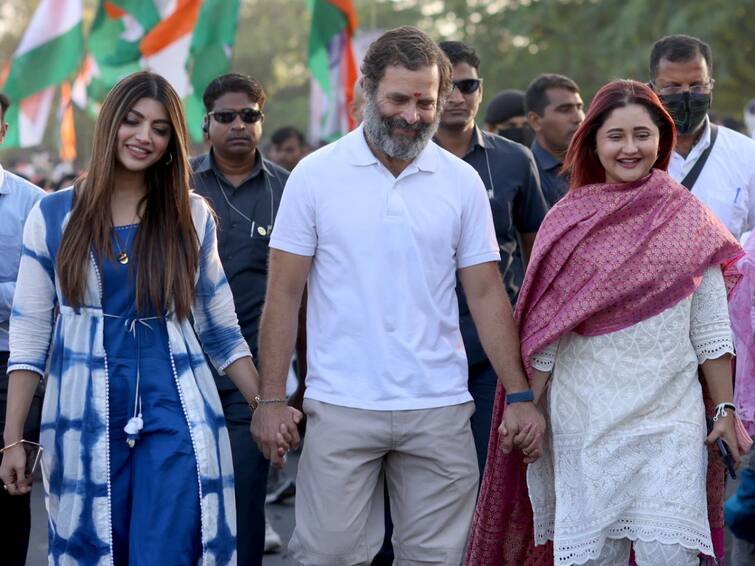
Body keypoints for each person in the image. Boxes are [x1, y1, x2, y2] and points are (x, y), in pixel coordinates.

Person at [252, 26, 545, 565]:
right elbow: (285, 293)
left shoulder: (459, 182)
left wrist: (519, 394)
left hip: (439, 405)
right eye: (398, 99)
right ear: (365, 91)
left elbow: (485, 293)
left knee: (437, 559)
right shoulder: (315, 177)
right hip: (341, 403)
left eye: (425, 101)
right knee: (328, 556)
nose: (412, 115)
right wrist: (271, 400)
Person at [0, 71, 299, 564]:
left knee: (169, 546)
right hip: (80, 416)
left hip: (177, 411)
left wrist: (267, 405)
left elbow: (223, 332)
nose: (144, 137)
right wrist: (14, 439)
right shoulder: (52, 216)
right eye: (133, 121)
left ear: (172, 142)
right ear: (110, 123)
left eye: (160, 129)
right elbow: (30, 336)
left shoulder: (189, 214)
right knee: (94, 546)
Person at [466, 80, 750, 566]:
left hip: (670, 419)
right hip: (585, 418)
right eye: (616, 136)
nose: (630, 148)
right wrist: (526, 406)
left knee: (671, 554)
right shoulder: (568, 221)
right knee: (594, 558)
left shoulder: (688, 218)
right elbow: (548, 332)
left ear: (661, 138)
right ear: (593, 141)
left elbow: (709, 329)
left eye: (643, 134)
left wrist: (725, 409)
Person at [191, 73, 295, 563]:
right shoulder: (177, 185)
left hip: (252, 376)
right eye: (226, 116)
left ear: (261, 120)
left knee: (244, 497)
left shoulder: (289, 189)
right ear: (205, 122)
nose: (238, 125)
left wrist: (302, 375)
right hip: (181, 371)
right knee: (184, 499)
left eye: (249, 115)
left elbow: (308, 289)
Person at [435, 39, 546, 476]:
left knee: (491, 471)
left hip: (495, 346)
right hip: (425, 346)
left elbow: (535, 249)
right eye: (447, 86)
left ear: (481, 89)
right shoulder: (405, 163)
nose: (458, 97)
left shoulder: (514, 161)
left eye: (468, 85)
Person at [0, 92, 46, 566]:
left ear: (3, 131)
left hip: (11, 367)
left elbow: (44, 296)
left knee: (10, 489)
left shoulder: (34, 205)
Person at [650, 34, 755, 240]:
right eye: (673, 87)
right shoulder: (633, 157)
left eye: (697, 85)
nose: (686, 95)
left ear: (711, 85)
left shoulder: (746, 154)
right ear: (653, 89)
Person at [525, 73, 585, 207]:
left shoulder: (598, 163)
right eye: (565, 109)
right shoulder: (526, 175)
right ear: (535, 121)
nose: (578, 118)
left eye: (579, 107)